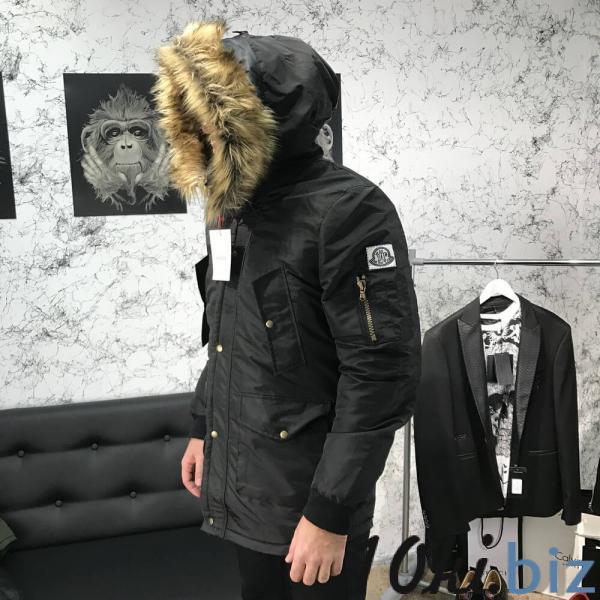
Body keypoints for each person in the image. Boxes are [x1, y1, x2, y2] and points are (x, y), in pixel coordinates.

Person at [153, 19, 421, 600]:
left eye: (213, 113)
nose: (201, 127)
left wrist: (329, 512)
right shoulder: (230, 211)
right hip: (243, 479)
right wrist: (202, 428)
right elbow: (224, 335)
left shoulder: (350, 211)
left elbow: (380, 375)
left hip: (311, 494)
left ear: (259, 118)